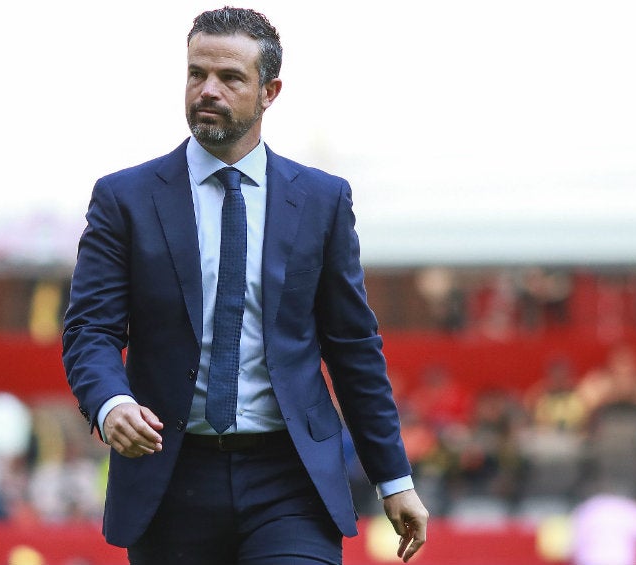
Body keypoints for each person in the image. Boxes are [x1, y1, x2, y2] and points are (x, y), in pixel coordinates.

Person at [62, 7, 428, 565]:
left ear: (269, 91)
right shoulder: (124, 199)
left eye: (230, 78)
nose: (207, 90)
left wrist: (393, 478)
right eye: (195, 73)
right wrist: (111, 403)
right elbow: (90, 329)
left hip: (291, 481)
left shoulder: (322, 201)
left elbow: (353, 348)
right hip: (169, 475)